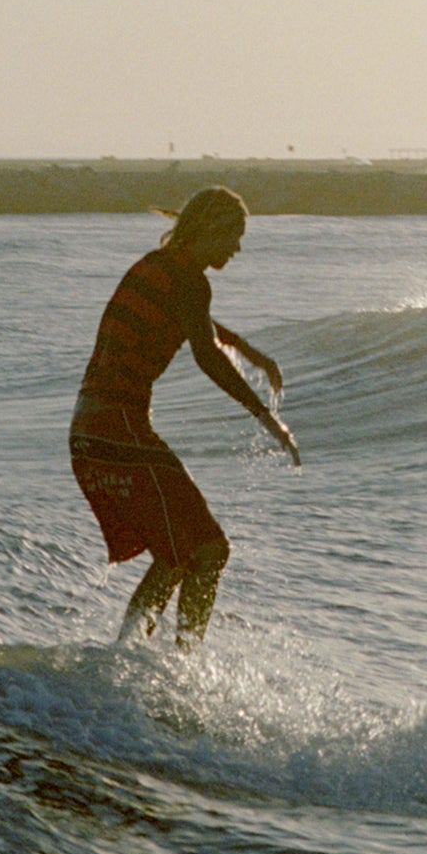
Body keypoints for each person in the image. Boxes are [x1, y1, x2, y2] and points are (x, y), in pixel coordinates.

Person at [70, 186, 299, 647]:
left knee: (177, 555)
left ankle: (132, 654)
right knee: (209, 550)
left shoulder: (156, 267)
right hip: (119, 430)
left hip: (90, 432)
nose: (237, 248)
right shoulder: (190, 281)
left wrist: (249, 350)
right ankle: (180, 663)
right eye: (233, 235)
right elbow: (205, 353)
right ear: (210, 230)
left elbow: (197, 321)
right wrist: (266, 418)